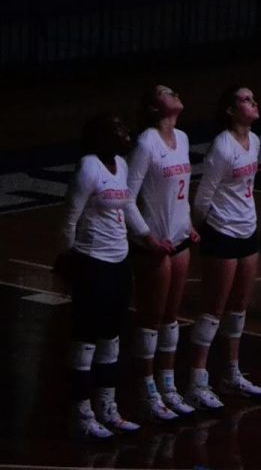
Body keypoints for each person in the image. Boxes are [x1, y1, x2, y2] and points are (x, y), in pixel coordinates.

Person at [57, 113, 172, 439]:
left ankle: (107, 407)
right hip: (92, 261)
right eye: (117, 129)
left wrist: (148, 239)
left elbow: (126, 208)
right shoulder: (88, 168)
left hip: (118, 260)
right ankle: (81, 414)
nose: (125, 133)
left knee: (112, 337)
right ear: (101, 137)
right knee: (86, 340)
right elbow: (69, 218)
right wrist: (67, 259)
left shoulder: (120, 165)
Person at [126, 85, 202, 422]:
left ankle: (168, 384)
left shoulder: (183, 139)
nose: (173, 93)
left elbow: (181, 193)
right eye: (164, 92)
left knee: (172, 317)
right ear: (155, 108)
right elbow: (126, 197)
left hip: (179, 239)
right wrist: (146, 236)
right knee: (151, 318)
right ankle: (146, 389)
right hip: (155, 243)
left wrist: (188, 225)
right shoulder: (146, 142)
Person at [186, 86, 261, 411]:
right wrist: (206, 229)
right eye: (245, 99)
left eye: (253, 97)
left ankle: (231, 373)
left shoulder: (256, 141)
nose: (253, 102)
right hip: (222, 231)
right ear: (231, 110)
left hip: (248, 230)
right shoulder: (222, 146)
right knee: (212, 309)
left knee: (239, 307)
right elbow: (203, 197)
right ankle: (196, 380)